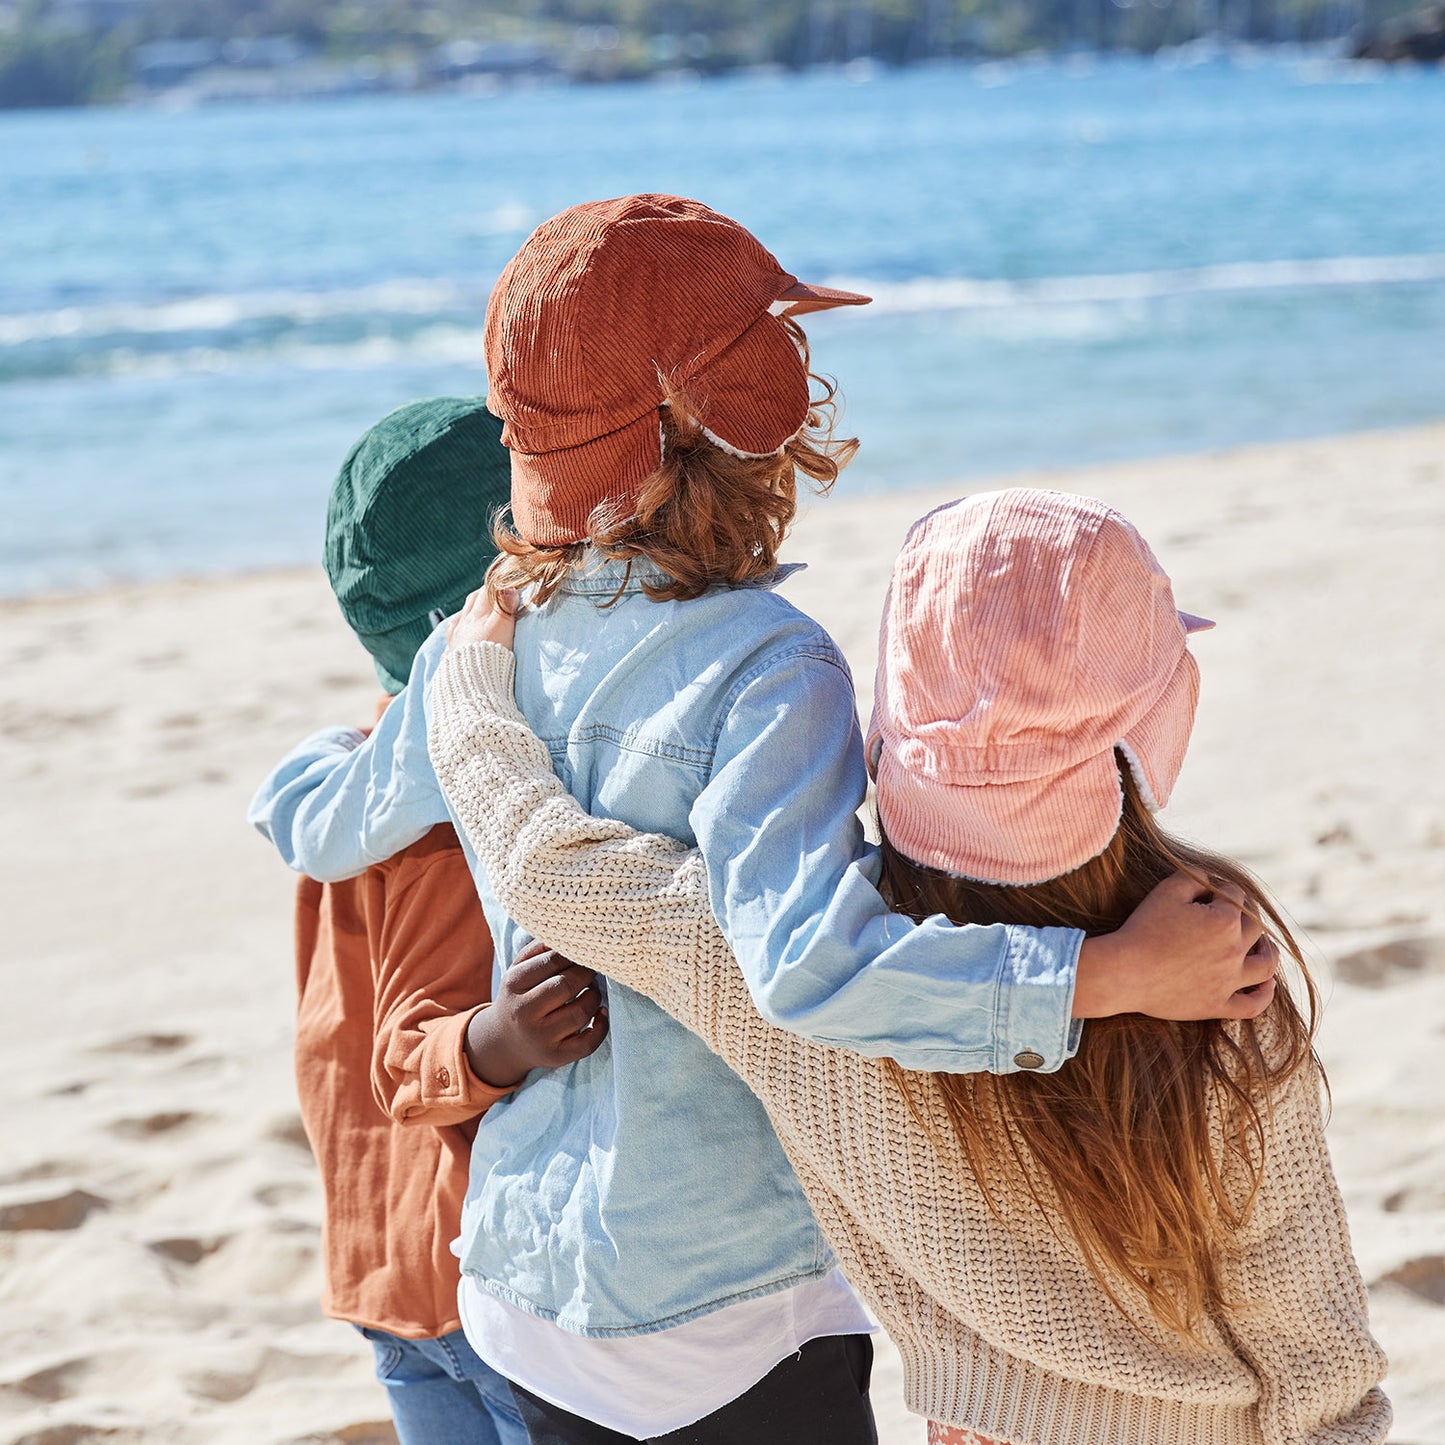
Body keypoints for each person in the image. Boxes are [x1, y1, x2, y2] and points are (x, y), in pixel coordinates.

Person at [252, 196, 1276, 1443]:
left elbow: (341, 815)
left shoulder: (491, 637)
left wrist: (296, 776)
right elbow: (809, 968)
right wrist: (1103, 974)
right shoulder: (766, 664)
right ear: (735, 429)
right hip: (718, 1298)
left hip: (523, 1278)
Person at [427, 486, 1391, 1445]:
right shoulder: (1222, 979)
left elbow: (544, 862)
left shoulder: (788, 980)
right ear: (1143, 733)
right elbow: (1318, 1364)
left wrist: (467, 677)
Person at [248, 398, 606, 1445]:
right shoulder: (452, 809)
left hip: (375, 1257)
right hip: (471, 1276)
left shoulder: (345, 784)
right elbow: (409, 1052)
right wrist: (499, 1038)